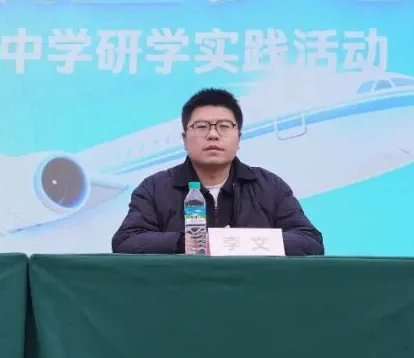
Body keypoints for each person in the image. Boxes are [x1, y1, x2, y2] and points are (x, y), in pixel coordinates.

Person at [112, 87, 324, 256]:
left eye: (224, 126)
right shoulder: (155, 188)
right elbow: (125, 241)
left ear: (238, 138)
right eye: (201, 126)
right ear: (184, 139)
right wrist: (186, 242)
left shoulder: (269, 186)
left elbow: (310, 241)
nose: (213, 135)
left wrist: (242, 243)